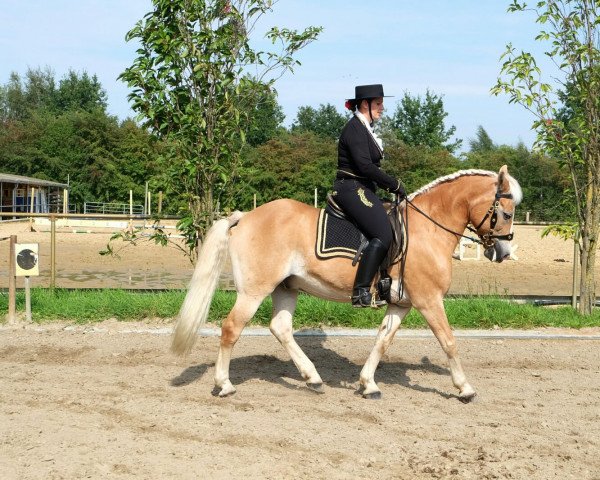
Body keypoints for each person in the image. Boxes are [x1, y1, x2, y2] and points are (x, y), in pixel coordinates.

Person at [332, 84, 406, 307]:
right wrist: (394, 184)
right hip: (351, 188)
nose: (382, 108)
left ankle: (383, 282)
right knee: (383, 233)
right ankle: (360, 291)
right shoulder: (354, 128)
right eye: (379, 103)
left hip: (364, 188)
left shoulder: (364, 127)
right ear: (365, 104)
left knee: (393, 223)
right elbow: (364, 166)